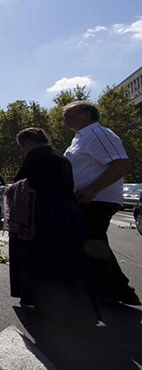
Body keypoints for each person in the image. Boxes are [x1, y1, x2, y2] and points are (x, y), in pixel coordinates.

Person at [7, 127, 100, 323]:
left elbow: (27, 182)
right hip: (68, 213)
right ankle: (79, 306)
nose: (22, 150)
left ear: (27, 144)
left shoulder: (35, 156)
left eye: (21, 147)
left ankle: (49, 305)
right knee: (69, 258)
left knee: (44, 257)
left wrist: (11, 189)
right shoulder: (61, 158)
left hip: (45, 213)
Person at [62, 101, 140, 305]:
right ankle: (117, 290)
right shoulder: (80, 137)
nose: (65, 120)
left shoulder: (99, 134)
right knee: (90, 242)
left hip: (98, 199)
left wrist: (92, 189)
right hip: (86, 199)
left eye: (69, 115)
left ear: (87, 115)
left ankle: (108, 290)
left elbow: (121, 164)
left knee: (92, 243)